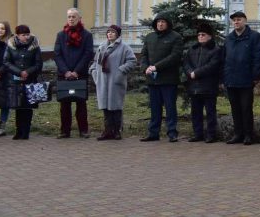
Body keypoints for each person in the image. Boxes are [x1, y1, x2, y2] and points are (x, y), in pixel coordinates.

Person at [222, 10, 260, 145]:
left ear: (245, 21)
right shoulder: (229, 38)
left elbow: (259, 57)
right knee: (235, 108)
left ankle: (248, 134)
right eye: (234, 20)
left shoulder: (254, 37)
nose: (236, 22)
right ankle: (237, 134)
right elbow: (223, 58)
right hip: (231, 79)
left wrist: (256, 76)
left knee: (246, 108)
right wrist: (224, 76)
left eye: (239, 19)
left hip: (247, 79)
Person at [140, 13, 184, 142]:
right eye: (158, 22)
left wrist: (156, 67)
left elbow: (175, 56)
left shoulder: (175, 37)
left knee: (170, 107)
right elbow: (144, 55)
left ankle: (172, 132)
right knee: (154, 107)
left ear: (168, 23)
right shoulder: (150, 37)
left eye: (163, 22)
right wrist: (145, 68)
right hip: (152, 79)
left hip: (168, 79)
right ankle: (153, 132)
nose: (160, 24)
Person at [90, 24, 137, 140]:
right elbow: (96, 62)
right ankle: (107, 131)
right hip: (103, 81)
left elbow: (132, 61)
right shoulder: (102, 46)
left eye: (113, 32)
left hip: (115, 81)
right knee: (105, 108)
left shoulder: (124, 47)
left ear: (117, 34)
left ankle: (116, 131)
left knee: (115, 107)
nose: (110, 34)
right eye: (108, 32)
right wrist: (94, 73)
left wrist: (120, 71)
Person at [53, 8, 95, 138]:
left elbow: (88, 54)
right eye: (69, 16)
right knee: (64, 104)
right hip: (63, 74)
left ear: (79, 19)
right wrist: (65, 71)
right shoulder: (61, 35)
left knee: (80, 103)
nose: (71, 19)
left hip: (80, 74)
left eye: (73, 17)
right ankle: (65, 131)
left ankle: (83, 130)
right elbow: (57, 54)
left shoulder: (87, 35)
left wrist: (76, 71)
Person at [182, 23, 223, 143]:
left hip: (209, 86)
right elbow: (186, 63)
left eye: (203, 34)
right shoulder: (193, 49)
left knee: (210, 112)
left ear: (209, 36)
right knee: (196, 112)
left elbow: (212, 66)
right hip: (194, 86)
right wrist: (190, 73)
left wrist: (196, 73)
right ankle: (197, 134)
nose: (200, 36)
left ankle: (211, 135)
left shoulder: (215, 50)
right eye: (199, 34)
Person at [4, 25, 43, 139]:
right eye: (23, 35)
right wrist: (19, 72)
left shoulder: (34, 46)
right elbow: (6, 62)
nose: (26, 37)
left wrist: (27, 72)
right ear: (17, 35)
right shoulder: (10, 46)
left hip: (30, 80)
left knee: (27, 106)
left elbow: (38, 64)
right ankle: (18, 131)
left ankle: (26, 131)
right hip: (15, 80)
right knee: (18, 106)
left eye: (27, 34)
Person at [0, 21, 9, 136]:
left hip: (5, 76)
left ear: (7, 30)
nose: (0, 30)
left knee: (4, 103)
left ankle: (2, 125)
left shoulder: (10, 44)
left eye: (3, 28)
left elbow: (8, 61)